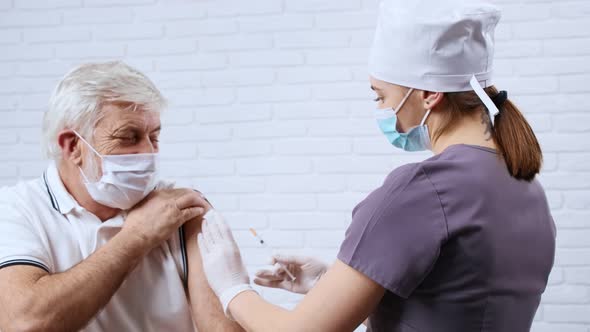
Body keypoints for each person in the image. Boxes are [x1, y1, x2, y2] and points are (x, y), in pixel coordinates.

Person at [196, 1, 557, 331]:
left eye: (381, 95)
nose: (381, 110)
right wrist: (332, 286)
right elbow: (453, 301)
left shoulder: (424, 190)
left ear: (429, 94)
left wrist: (232, 288)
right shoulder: (525, 185)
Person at [0, 61, 244, 332]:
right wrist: (136, 237)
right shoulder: (17, 209)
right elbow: (23, 323)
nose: (148, 152)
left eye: (154, 137)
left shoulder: (182, 211)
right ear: (72, 146)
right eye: (129, 137)